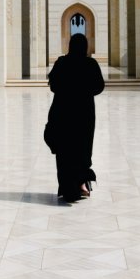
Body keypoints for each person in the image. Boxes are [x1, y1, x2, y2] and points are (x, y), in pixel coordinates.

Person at [45, 33, 105, 202]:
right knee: (82, 149)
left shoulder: (62, 63)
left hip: (63, 113)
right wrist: (83, 90)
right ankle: (81, 184)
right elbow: (99, 87)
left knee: (65, 151)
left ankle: (67, 187)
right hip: (84, 114)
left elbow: (53, 86)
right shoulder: (90, 64)